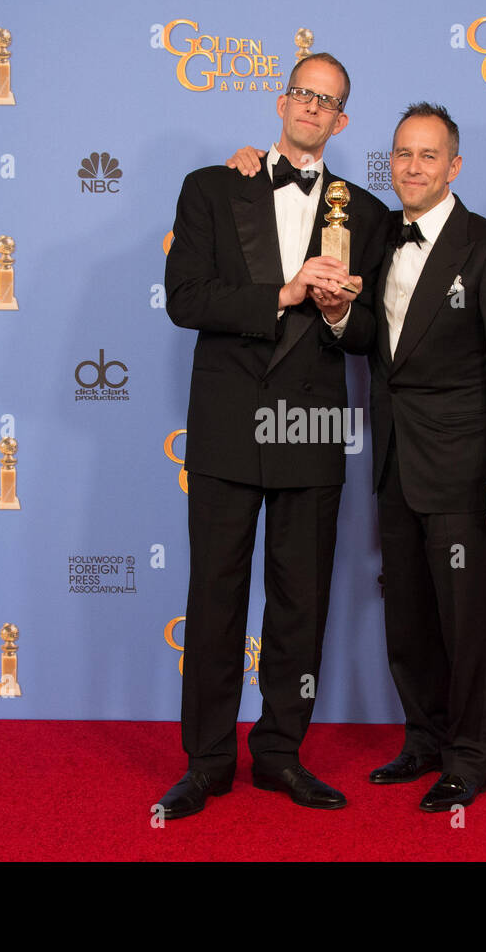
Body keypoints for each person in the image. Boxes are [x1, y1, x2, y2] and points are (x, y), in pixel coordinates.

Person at [158, 53, 387, 819]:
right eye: (302, 93)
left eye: (328, 101)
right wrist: (284, 294)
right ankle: (206, 760)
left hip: (313, 427)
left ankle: (281, 751)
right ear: (281, 100)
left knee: (301, 604)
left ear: (342, 120)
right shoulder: (215, 187)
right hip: (228, 425)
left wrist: (334, 314)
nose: (312, 108)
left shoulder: (370, 214)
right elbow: (185, 299)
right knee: (216, 596)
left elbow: (370, 339)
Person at [366, 103, 486, 811]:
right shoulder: (378, 238)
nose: (412, 166)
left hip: (468, 470)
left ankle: (469, 757)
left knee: (463, 622)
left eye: (428, 155)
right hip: (395, 463)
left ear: (455, 167)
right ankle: (424, 739)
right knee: (407, 617)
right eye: (403, 154)